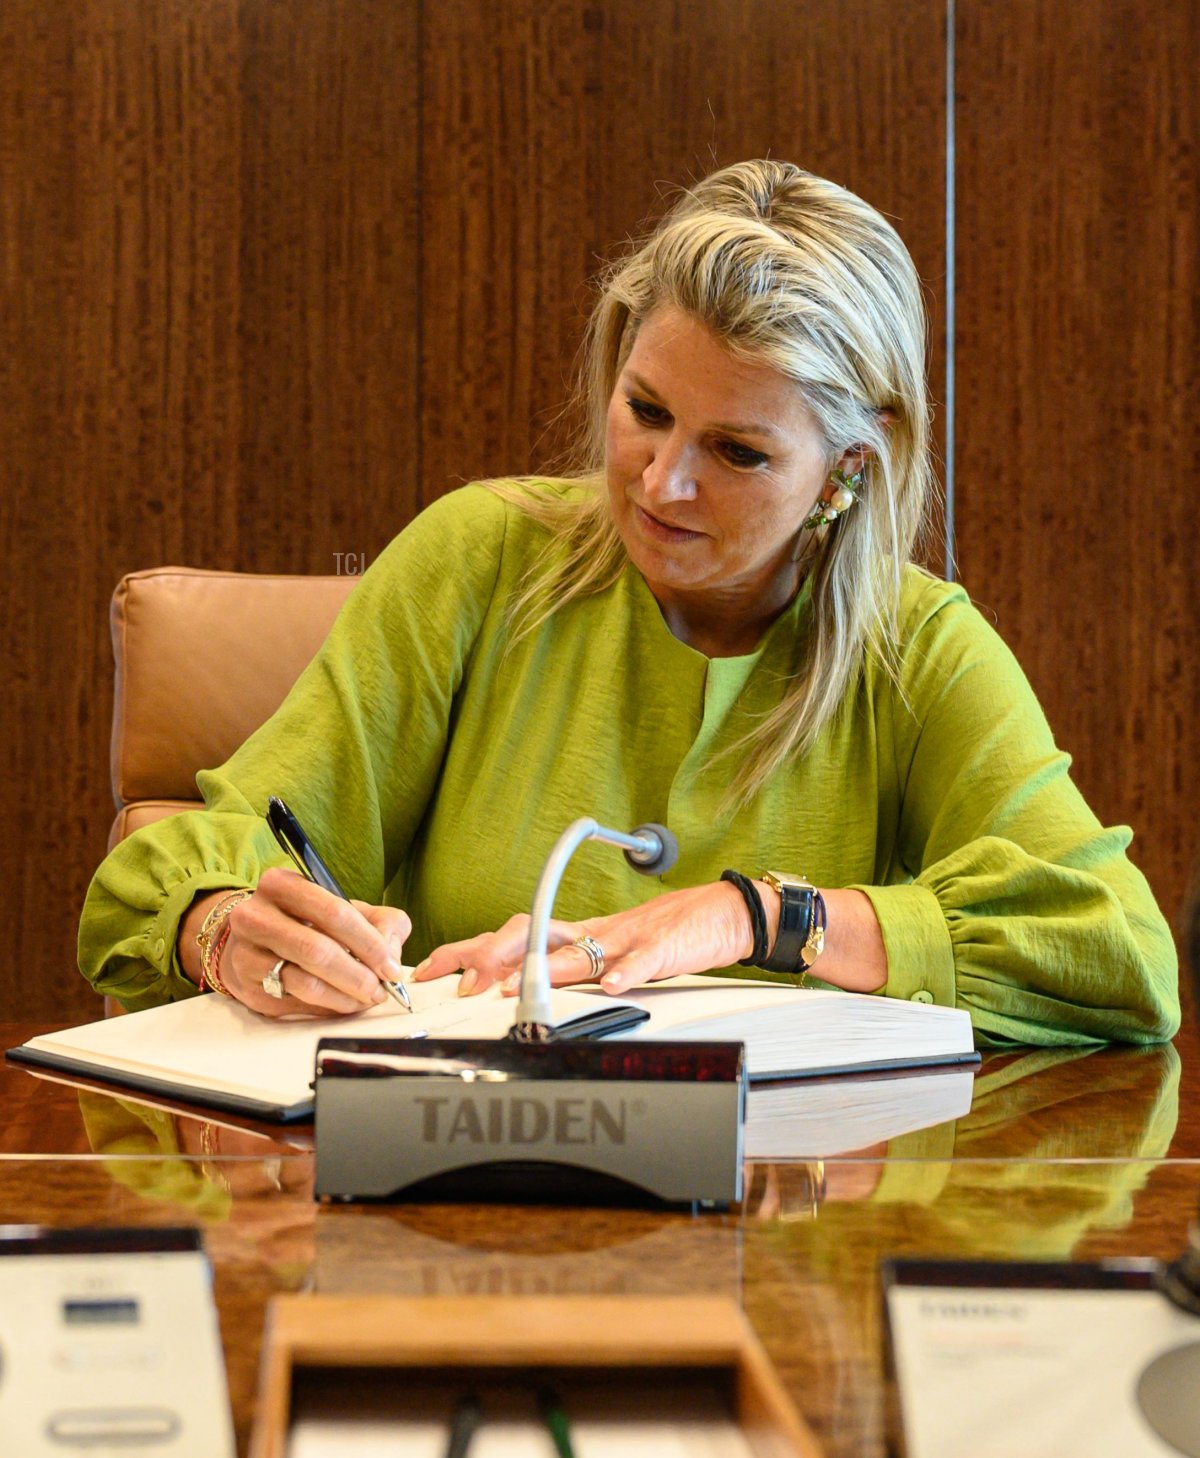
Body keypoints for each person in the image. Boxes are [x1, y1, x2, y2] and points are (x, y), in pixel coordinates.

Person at [78, 159, 1179, 1046]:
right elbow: (177, 867)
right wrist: (221, 925)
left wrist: (749, 916)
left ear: (854, 460)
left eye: (737, 451)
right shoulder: (477, 559)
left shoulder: (919, 647)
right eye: (644, 409)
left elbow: (1116, 952)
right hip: (465, 1213)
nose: (661, 483)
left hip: (793, 1233)